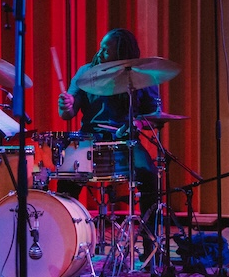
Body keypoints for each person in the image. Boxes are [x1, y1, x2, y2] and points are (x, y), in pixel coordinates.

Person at [56, 28, 159, 259]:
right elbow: (68, 113)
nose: (100, 52)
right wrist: (67, 105)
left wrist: (138, 125)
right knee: (65, 182)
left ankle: (150, 246)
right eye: (101, 46)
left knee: (150, 177)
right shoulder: (85, 73)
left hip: (125, 142)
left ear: (121, 53)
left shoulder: (141, 76)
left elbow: (153, 115)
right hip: (89, 140)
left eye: (106, 48)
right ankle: (64, 245)